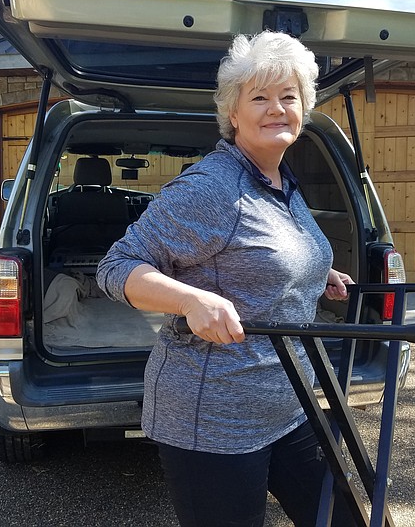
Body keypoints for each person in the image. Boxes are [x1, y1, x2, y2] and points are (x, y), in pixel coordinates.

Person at [95, 30, 354, 527]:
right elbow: (117, 266)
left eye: (288, 96)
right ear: (233, 113)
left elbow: (269, 254)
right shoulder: (212, 187)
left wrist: (314, 274)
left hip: (287, 400)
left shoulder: (280, 180)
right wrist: (191, 300)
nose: (277, 108)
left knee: (338, 517)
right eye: (259, 97)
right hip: (213, 416)